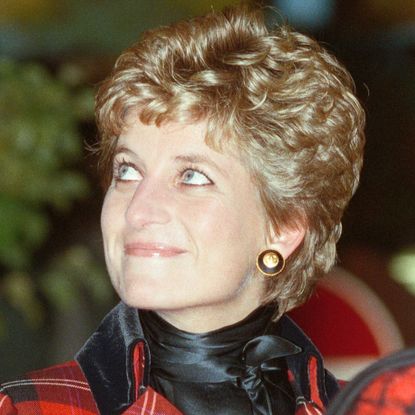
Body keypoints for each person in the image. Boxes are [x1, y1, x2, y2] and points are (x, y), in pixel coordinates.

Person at [0, 5, 365, 415]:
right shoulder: (29, 407)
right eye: (127, 170)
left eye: (192, 176)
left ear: (282, 228)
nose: (138, 211)